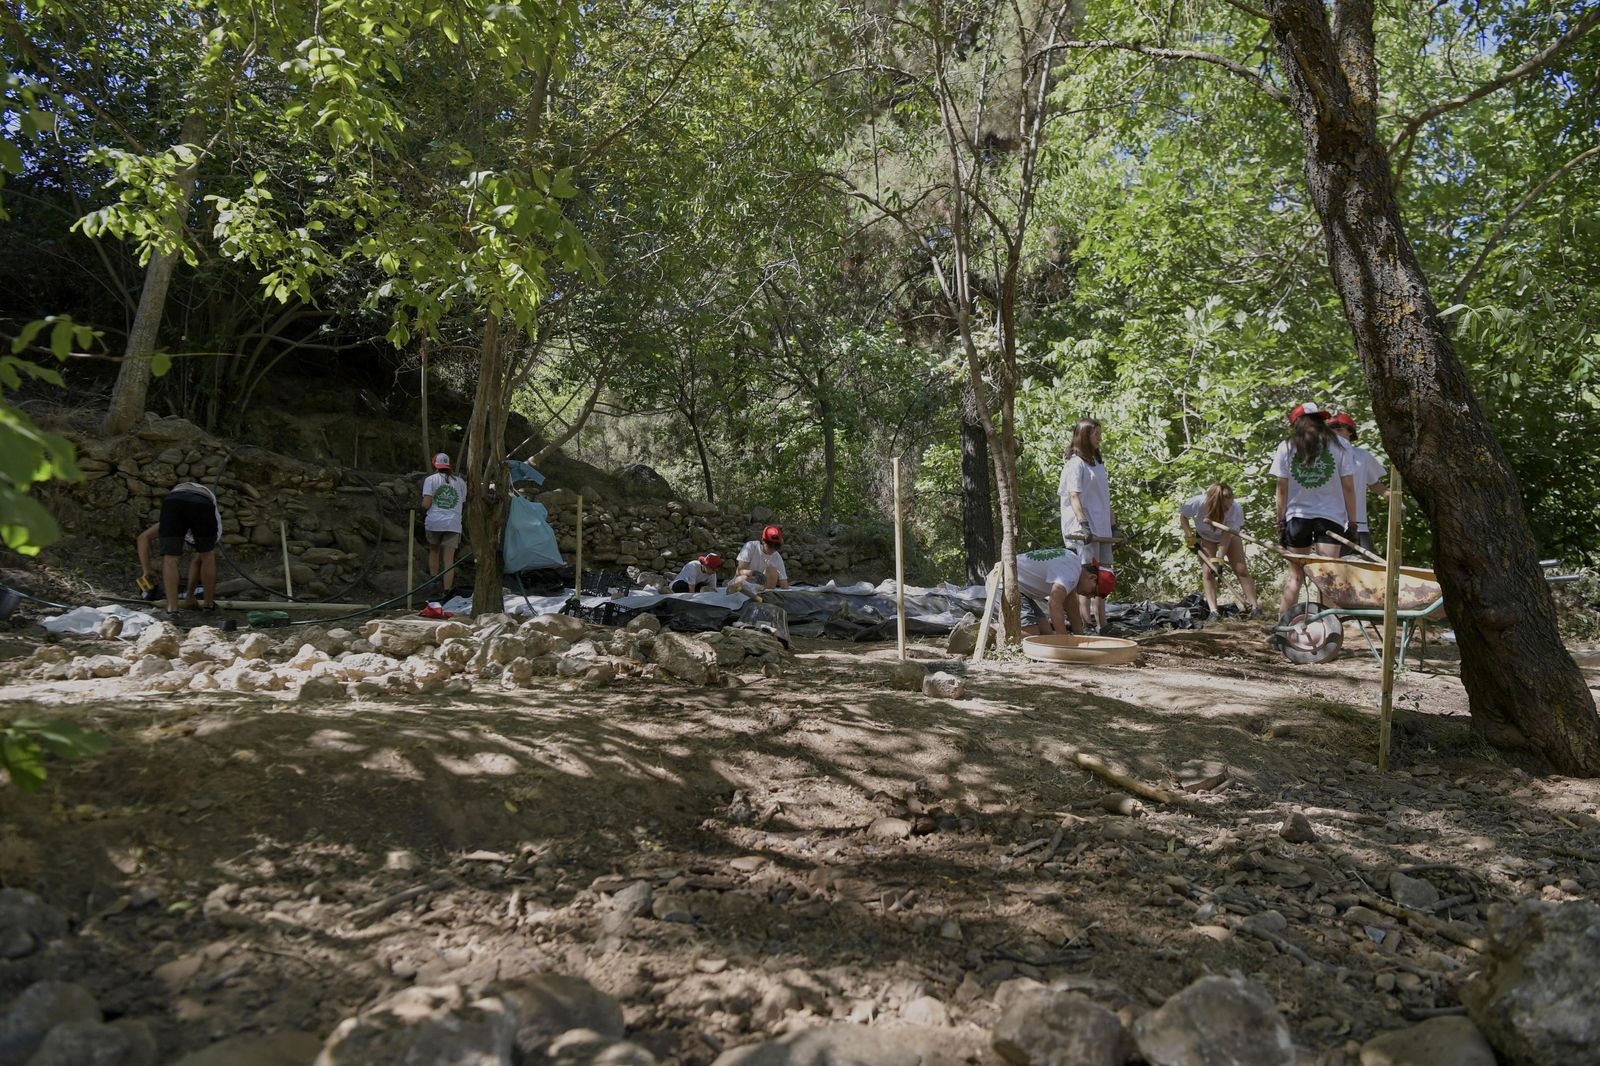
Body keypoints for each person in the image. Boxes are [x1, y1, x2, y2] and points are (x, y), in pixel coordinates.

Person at [1271, 403, 1359, 620]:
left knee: (1295, 576)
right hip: (1331, 517)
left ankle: (1281, 629)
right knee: (1327, 578)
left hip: (1297, 517)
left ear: (1296, 423)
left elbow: (1281, 488)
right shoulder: (1340, 445)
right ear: (1321, 420)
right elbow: (1348, 486)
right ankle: (1330, 635)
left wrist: (1280, 520)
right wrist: (1353, 522)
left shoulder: (1287, 446)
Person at [1058, 418, 1113, 629]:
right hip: (1083, 529)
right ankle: (1085, 624)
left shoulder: (1097, 463)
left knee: (1104, 577)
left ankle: (1103, 624)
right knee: (1086, 577)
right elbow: (1074, 496)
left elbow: (1104, 497)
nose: (1100, 437)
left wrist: (1112, 524)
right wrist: (1083, 524)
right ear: (1084, 436)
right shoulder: (1075, 464)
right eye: (1096, 434)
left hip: (1102, 528)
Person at [1178, 482, 1261, 618]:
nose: (1228, 509)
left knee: (1241, 570)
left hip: (1228, 535)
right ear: (1215, 503)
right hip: (1206, 536)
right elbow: (1183, 516)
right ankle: (1214, 612)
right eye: (1225, 507)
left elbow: (1226, 536)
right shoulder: (1199, 502)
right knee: (1208, 572)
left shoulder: (1235, 508)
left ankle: (1255, 608)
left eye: (1230, 506)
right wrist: (1189, 537)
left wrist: (1219, 559)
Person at [146, 481, 222, 613]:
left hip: (173, 501)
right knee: (208, 555)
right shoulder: (217, 527)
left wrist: (190, 595)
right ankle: (209, 605)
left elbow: (196, 563)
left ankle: (172, 609)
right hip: (201, 502)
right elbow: (202, 560)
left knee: (170, 557)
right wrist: (190, 595)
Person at [1016, 547, 1113, 636]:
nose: (1089, 597)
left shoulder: (1074, 563)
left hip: (1022, 590)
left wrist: (1079, 636)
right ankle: (1002, 629)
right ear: (1092, 577)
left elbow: (1072, 607)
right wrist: (1063, 639)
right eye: (1093, 592)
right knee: (1030, 634)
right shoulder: (1070, 576)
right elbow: (1054, 605)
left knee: (1046, 632)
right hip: (1007, 582)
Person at [1327, 412, 1386, 556]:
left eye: (1340, 430)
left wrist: (1395, 499)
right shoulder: (1322, 458)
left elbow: (1375, 484)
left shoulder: (1362, 456)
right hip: (1329, 522)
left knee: (1370, 569)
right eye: (1331, 431)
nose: (1336, 434)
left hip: (1358, 525)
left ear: (1350, 432)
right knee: (1332, 571)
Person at [421, 453, 467, 597]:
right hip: (453, 523)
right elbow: (462, 502)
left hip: (434, 523)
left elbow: (426, 504)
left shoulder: (430, 480)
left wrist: (421, 506)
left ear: (435, 465)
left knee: (434, 551)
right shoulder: (460, 482)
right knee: (449, 560)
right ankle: (446, 592)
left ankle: (434, 582)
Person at [735, 525, 789, 590]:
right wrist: (753, 573)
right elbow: (739, 571)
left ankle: (766, 596)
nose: (773, 549)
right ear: (763, 541)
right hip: (746, 583)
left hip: (762, 588)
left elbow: (784, 583)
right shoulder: (750, 547)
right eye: (770, 546)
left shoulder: (777, 557)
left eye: (776, 547)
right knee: (742, 578)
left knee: (772, 571)